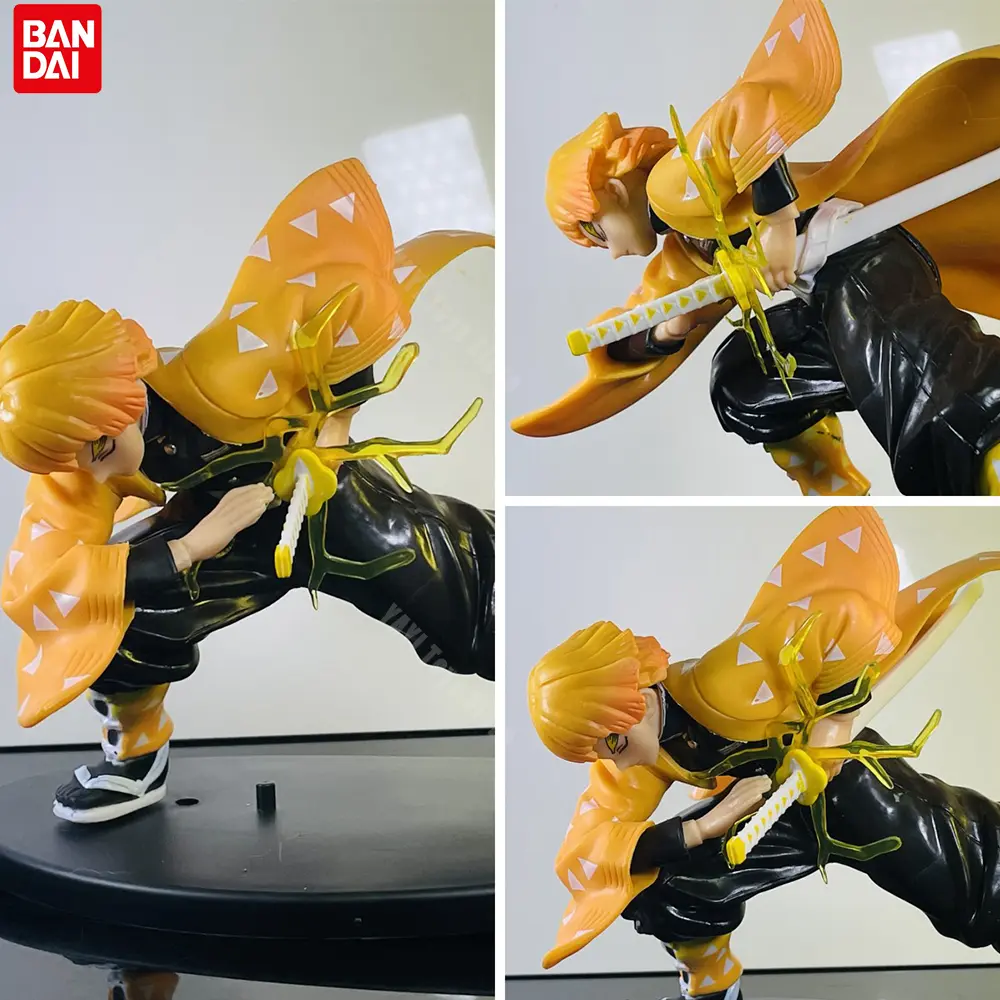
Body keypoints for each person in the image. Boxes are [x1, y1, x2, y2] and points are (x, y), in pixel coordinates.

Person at [0, 158, 494, 824]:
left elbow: (343, 318)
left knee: (457, 611)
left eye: (100, 450)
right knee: (116, 627)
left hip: (328, 504)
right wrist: (192, 546)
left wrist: (329, 444)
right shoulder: (73, 465)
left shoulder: (232, 366)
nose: (93, 476)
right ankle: (136, 758)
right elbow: (42, 579)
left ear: (127, 396)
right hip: (227, 537)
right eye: (74, 462)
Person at [513, 0, 1000, 496]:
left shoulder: (674, 180)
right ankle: (832, 481)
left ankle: (985, 446)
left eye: (598, 233)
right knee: (745, 376)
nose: (613, 252)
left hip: (860, 259)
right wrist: (665, 330)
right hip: (828, 300)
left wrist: (779, 222)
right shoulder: (687, 250)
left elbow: (747, 118)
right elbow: (642, 317)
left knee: (915, 372)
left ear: (614, 191)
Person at [528, 507, 1000, 1000]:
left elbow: (849, 617)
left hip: (847, 784)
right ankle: (712, 990)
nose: (617, 763)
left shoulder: (728, 681)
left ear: (641, 704)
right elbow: (587, 847)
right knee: (664, 889)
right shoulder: (639, 756)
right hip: (775, 812)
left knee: (966, 886)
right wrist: (699, 829)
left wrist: (832, 725)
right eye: (601, 753)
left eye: (614, 744)